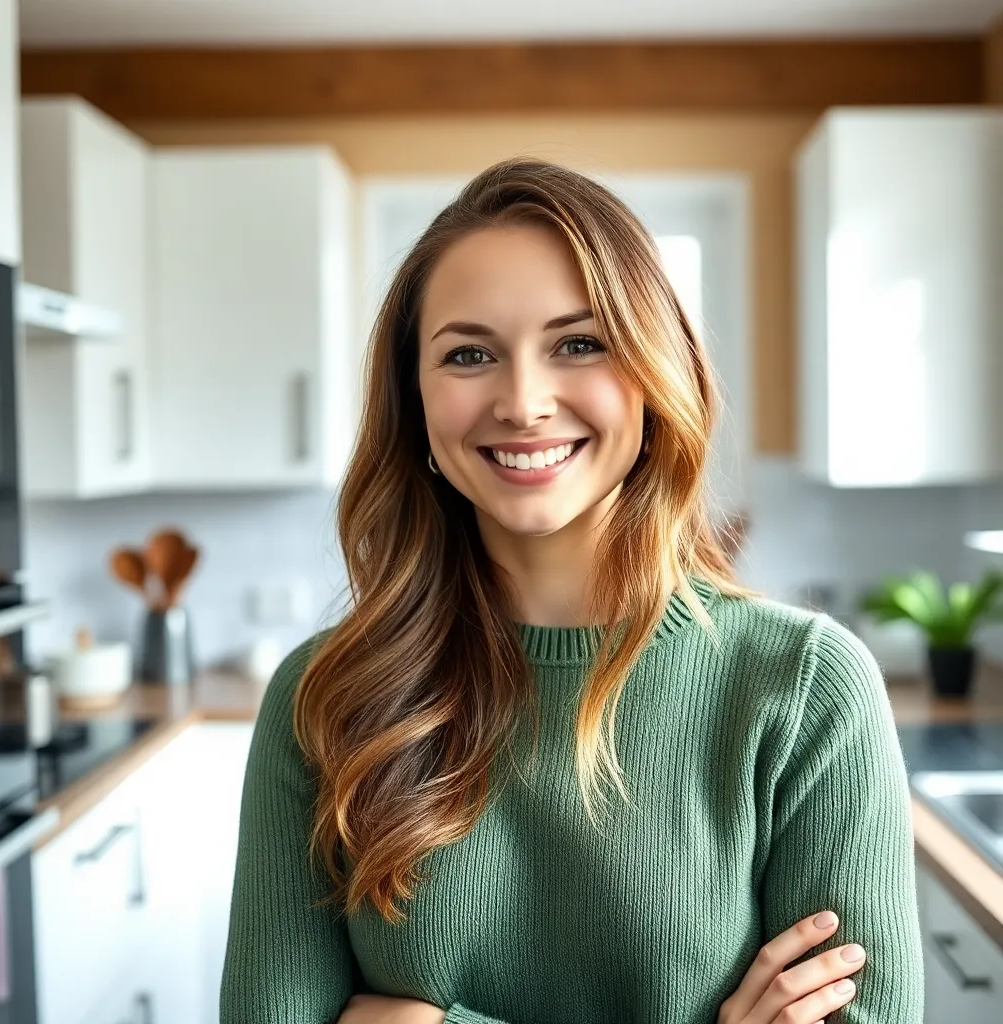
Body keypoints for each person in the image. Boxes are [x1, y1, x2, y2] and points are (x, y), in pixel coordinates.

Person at [219, 158, 923, 1024]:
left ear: (654, 372)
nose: (523, 402)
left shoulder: (808, 689)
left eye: (579, 343)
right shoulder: (323, 698)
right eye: (469, 353)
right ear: (416, 398)